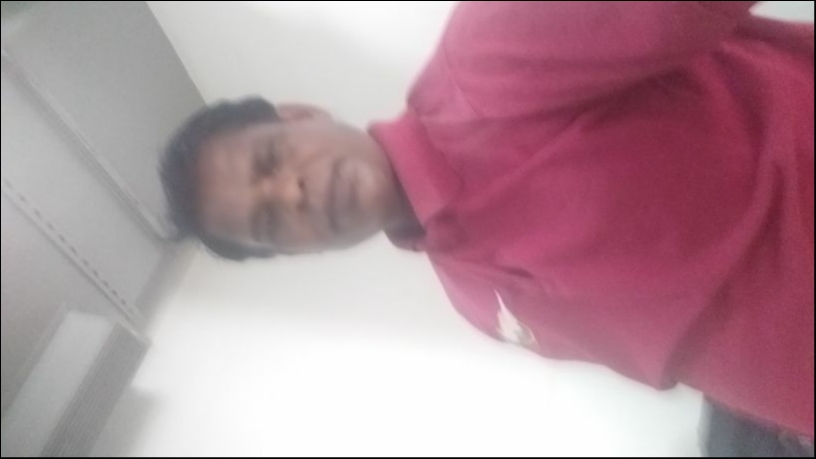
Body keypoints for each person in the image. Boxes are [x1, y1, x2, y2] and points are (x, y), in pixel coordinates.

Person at [160, 2, 814, 454]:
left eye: (271, 161)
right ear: (295, 252)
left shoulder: (489, 54)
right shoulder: (476, 303)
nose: (293, 192)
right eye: (271, 221)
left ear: (300, 115)